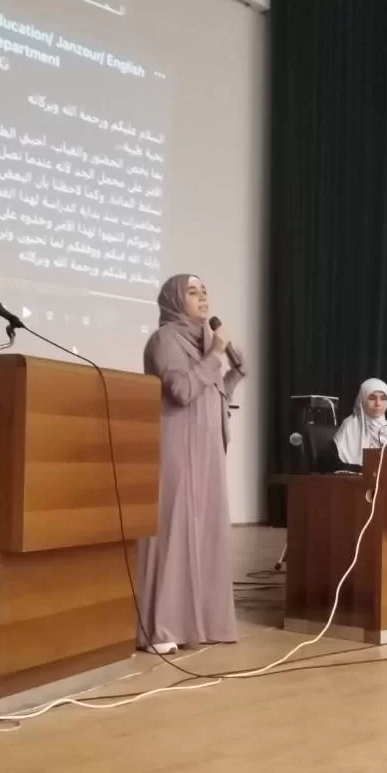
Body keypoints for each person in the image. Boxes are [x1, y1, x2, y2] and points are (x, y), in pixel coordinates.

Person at [135, 274, 245, 654]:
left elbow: (211, 393)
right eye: (193, 292)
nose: (202, 297)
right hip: (177, 446)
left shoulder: (204, 342)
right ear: (174, 300)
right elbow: (181, 391)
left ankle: (203, 622)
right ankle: (162, 628)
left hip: (207, 450)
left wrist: (233, 373)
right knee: (175, 530)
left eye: (205, 291)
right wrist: (215, 354)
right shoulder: (164, 339)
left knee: (205, 532)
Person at [333, 378, 387, 466]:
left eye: (383, 398)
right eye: (372, 398)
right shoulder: (350, 425)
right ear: (362, 400)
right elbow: (336, 462)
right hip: (352, 473)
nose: (378, 403)